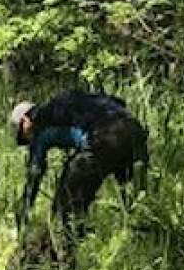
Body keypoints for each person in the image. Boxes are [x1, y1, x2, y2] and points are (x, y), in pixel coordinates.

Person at [11, 91, 149, 260]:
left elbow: (35, 172)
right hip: (134, 130)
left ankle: (67, 258)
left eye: (23, 136)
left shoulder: (40, 121)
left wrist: (24, 208)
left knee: (66, 201)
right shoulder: (70, 103)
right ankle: (143, 248)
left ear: (25, 121)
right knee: (135, 204)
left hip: (106, 135)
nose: (28, 141)